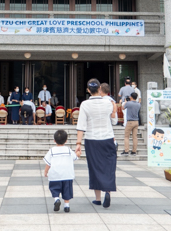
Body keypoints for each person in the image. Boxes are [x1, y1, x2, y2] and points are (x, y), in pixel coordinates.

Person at [75, 78, 118, 208]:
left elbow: (81, 125)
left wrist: (78, 144)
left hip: (92, 139)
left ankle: (98, 198)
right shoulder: (109, 103)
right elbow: (114, 122)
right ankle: (108, 191)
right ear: (100, 89)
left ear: (88, 90)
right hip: (108, 138)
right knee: (108, 166)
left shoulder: (85, 104)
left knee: (94, 168)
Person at [44, 129, 77, 213]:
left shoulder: (52, 150)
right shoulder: (69, 150)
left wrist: (46, 171)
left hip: (55, 175)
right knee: (67, 190)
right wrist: (78, 153)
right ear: (66, 140)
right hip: (67, 175)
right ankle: (67, 206)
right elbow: (75, 157)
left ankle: (56, 199)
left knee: (54, 188)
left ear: (54, 140)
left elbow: (48, 163)